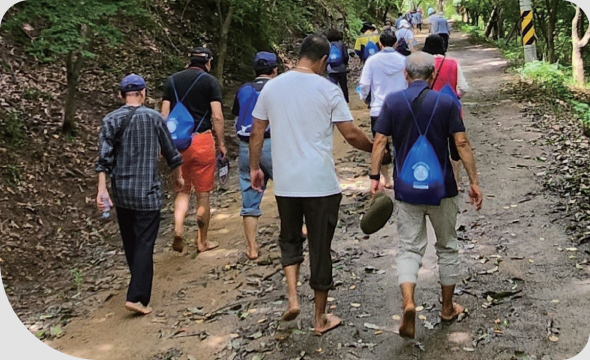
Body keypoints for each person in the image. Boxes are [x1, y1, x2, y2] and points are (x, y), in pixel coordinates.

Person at [249, 34, 373, 335]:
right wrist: (376, 150)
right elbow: (351, 135)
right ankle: (319, 318)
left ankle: (292, 297)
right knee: (320, 247)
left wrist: (255, 167)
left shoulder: (271, 88)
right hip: (320, 184)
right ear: (321, 60)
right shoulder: (327, 89)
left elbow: (256, 132)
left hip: (286, 184)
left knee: (289, 239)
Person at [370, 52, 483, 339]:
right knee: (447, 246)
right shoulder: (446, 102)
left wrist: (374, 178)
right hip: (442, 188)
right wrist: (473, 181)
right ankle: (447, 308)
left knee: (409, 248)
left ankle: (408, 302)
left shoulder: (393, 102)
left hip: (407, 190)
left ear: (405, 75)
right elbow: (461, 142)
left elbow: (380, 140)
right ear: (433, 76)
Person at [96, 74, 184, 315]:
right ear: (144, 93)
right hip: (147, 191)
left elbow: (103, 159)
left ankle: (137, 283)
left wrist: (101, 189)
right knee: (145, 242)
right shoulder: (154, 118)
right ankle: (137, 297)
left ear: (120, 94)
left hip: (122, 192)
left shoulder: (110, 120)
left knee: (131, 241)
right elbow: (171, 151)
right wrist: (179, 176)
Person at [161, 47, 227, 254]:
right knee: (203, 194)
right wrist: (222, 143)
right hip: (202, 141)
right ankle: (202, 241)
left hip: (179, 143)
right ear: (208, 62)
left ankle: (179, 229)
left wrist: (164, 145)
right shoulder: (210, 82)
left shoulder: (172, 81)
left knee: (182, 189)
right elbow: (217, 116)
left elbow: (163, 116)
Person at [232, 52, 279, 260]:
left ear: (254, 70)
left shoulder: (244, 89)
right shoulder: (278, 88)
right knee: (289, 187)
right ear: (275, 70)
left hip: (245, 145)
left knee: (249, 196)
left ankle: (252, 247)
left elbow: (236, 114)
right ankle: (299, 229)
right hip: (271, 143)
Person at [359, 30, 407, 189]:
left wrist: (365, 98)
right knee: (402, 143)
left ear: (380, 43)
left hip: (379, 109)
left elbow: (364, 84)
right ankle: (402, 175)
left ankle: (386, 179)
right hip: (402, 108)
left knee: (381, 144)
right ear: (395, 43)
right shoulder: (404, 61)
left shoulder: (372, 61)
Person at [423, 35, 469, 190]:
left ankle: (434, 178)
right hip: (452, 110)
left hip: (428, 110)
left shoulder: (423, 65)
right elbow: (463, 87)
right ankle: (455, 180)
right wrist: (454, 96)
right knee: (456, 145)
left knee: (431, 144)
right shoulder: (453, 63)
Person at [326, 29, 350, 103]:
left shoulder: (327, 45)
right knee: (343, 87)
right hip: (341, 69)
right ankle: (346, 101)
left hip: (331, 69)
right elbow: (345, 56)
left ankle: (333, 102)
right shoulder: (341, 44)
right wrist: (345, 64)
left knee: (333, 87)